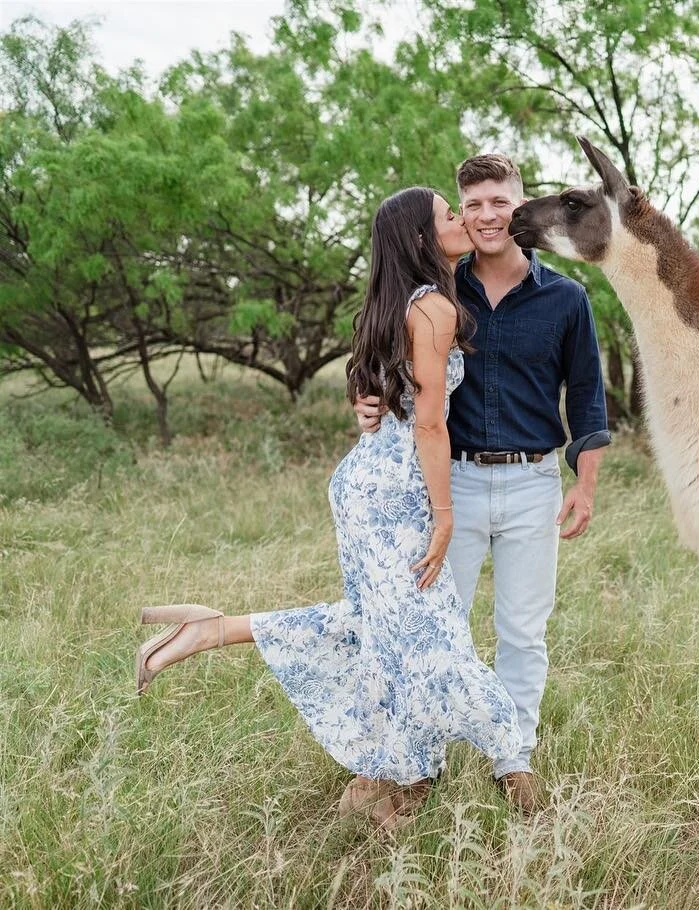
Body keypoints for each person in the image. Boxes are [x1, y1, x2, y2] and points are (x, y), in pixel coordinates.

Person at [134, 187, 521, 832]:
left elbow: (379, 395)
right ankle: (508, 764)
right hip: (394, 496)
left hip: (370, 485)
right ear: (421, 240)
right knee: (424, 643)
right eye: (448, 214)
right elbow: (428, 424)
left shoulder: (400, 302)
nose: (461, 219)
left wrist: (371, 410)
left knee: (388, 630)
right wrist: (445, 514)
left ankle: (214, 630)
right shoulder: (431, 309)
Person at [354, 153, 611, 814]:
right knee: (438, 627)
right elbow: (383, 352)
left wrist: (584, 484)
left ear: (517, 207)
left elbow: (585, 397)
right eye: (472, 205)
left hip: (532, 485)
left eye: (498, 201)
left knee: (523, 630)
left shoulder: (566, 299)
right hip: (453, 485)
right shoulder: (441, 292)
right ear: (461, 214)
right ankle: (420, 764)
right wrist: (363, 398)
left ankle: (512, 756)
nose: (487, 215)